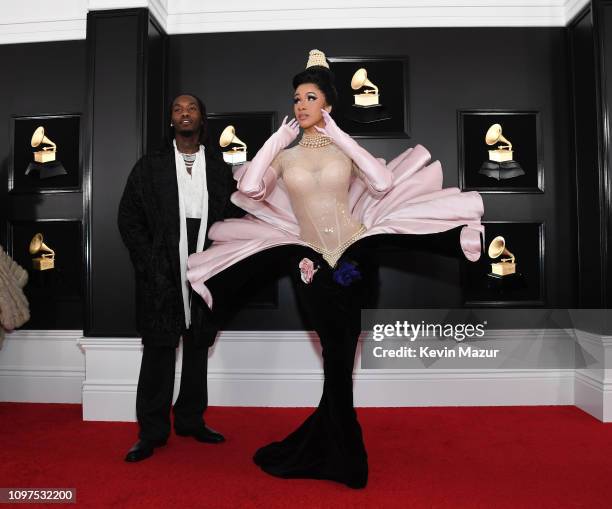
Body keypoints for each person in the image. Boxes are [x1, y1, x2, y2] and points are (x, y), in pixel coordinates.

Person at [187, 50, 485, 488]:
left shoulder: (346, 150)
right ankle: (344, 452)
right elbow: (249, 188)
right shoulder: (284, 159)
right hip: (310, 261)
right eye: (296, 99)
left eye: (310, 97)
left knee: (342, 354)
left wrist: (341, 136)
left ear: (326, 103)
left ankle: (335, 445)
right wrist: (274, 142)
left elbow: (381, 183)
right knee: (334, 352)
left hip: (354, 257)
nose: (301, 105)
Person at [117, 93, 244, 462]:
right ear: (171, 120)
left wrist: (219, 261)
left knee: (197, 346)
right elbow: (129, 218)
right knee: (159, 348)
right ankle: (151, 431)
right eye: (177, 109)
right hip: (163, 268)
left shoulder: (220, 168)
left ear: (202, 119)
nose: (184, 113)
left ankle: (190, 420)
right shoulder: (149, 166)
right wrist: (151, 263)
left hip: (206, 263)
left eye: (192, 109)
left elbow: (234, 218)